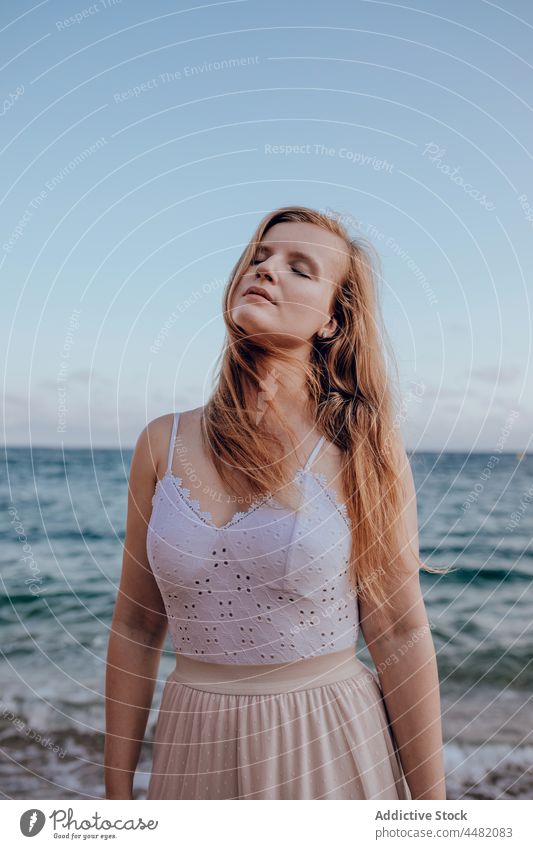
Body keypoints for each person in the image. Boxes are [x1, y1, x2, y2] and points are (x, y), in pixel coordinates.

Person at [104, 205, 447, 800]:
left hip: (325, 741)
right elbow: (136, 625)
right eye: (259, 257)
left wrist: (435, 818)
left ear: (332, 322)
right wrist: (116, 800)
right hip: (192, 744)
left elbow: (396, 631)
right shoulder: (162, 443)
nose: (265, 270)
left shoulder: (362, 449)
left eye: (300, 268)